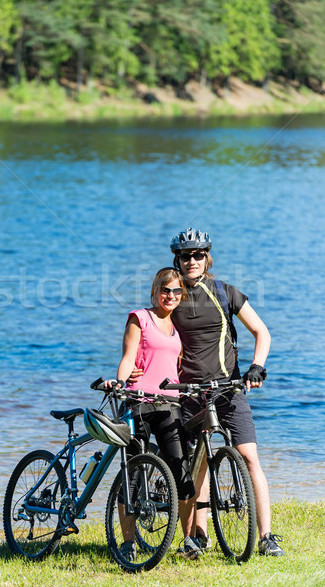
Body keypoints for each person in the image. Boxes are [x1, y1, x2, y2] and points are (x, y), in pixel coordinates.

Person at [131, 229, 285, 557]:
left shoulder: (225, 293)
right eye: (186, 256)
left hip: (228, 389)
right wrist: (135, 368)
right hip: (188, 393)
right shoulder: (173, 296)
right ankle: (195, 537)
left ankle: (267, 536)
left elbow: (262, 332)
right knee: (196, 463)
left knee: (248, 456)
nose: (191, 261)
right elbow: (152, 336)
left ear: (207, 258)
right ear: (177, 259)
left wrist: (257, 367)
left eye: (198, 255)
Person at [105, 267, 197, 560]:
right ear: (155, 291)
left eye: (176, 291)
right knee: (133, 473)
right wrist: (121, 382)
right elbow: (128, 358)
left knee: (181, 470)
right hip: (139, 401)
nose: (170, 296)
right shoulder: (139, 318)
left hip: (169, 404)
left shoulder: (176, 326)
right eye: (165, 290)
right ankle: (128, 543)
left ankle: (188, 541)